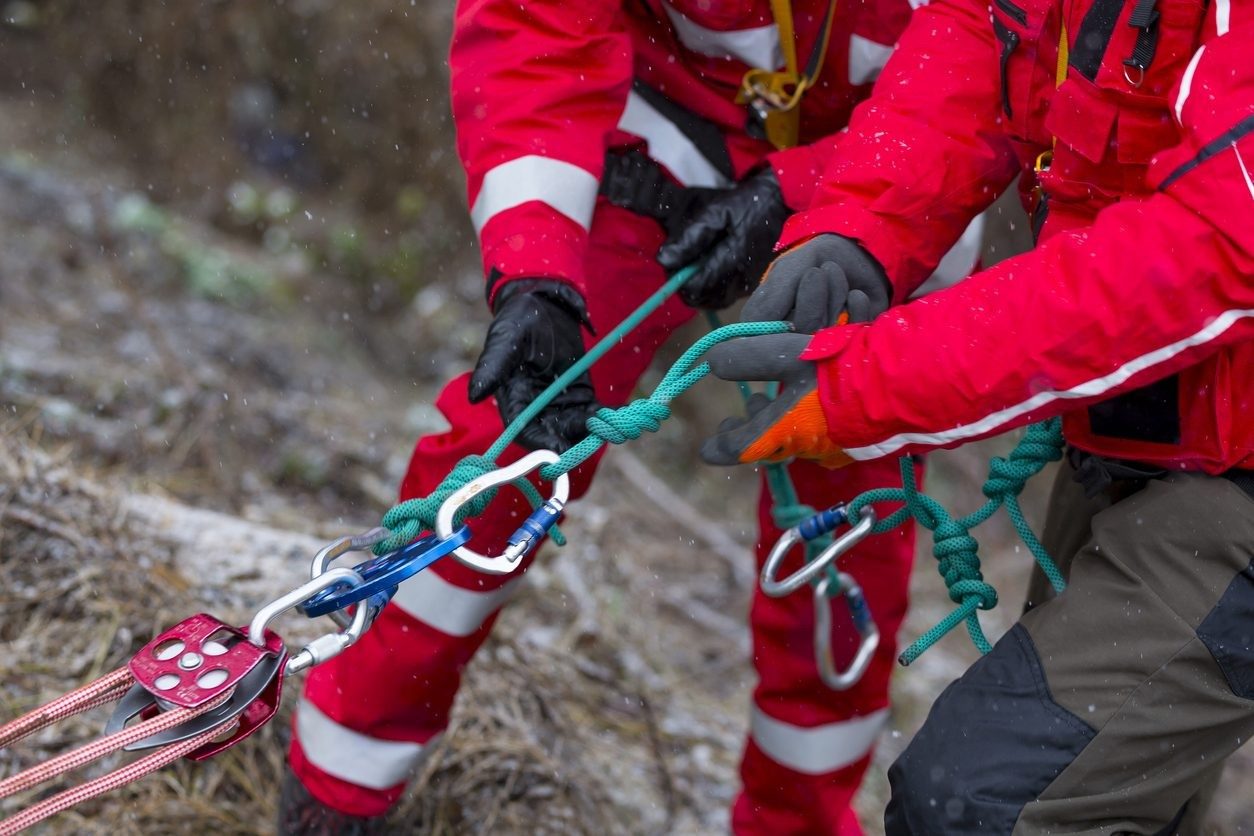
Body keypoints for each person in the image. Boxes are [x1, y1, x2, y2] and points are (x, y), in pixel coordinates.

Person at [277, 1, 986, 833]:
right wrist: (534, 272)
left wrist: (806, 188)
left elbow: (990, 83)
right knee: (512, 450)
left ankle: (798, 821)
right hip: (659, 129)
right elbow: (534, 27)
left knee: (847, 536)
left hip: (899, 176)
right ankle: (338, 783)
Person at [697, 0, 1254, 831]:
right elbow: (986, 39)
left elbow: (1205, 255)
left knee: (980, 805)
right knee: (1105, 796)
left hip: (1228, 481)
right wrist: (862, 225)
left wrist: (867, 387)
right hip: (1159, 434)